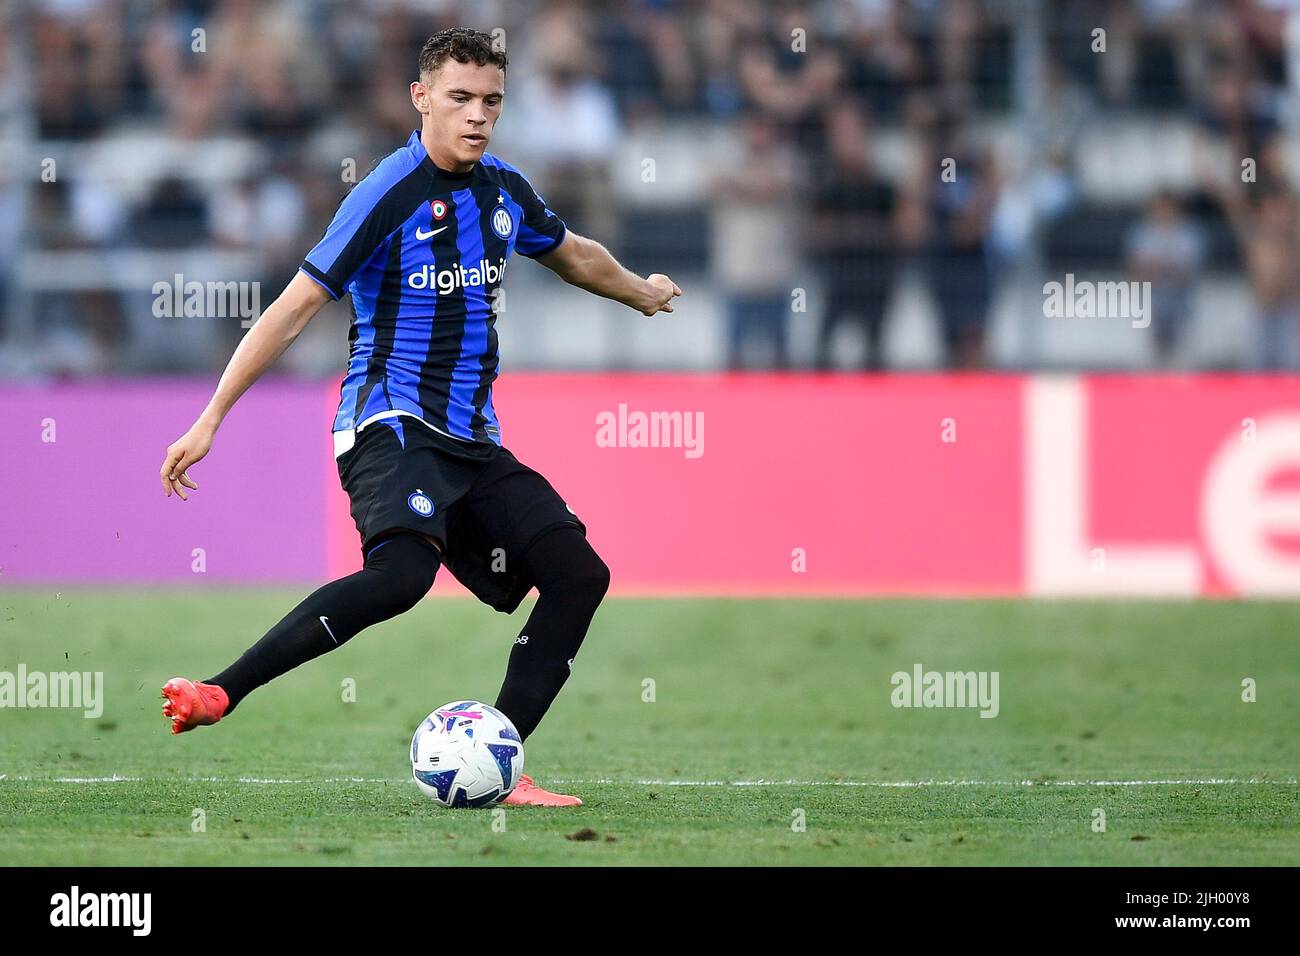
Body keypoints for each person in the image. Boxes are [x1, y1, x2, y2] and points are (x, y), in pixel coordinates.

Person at [157, 28, 681, 807]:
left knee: (579, 575)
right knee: (401, 576)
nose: (477, 116)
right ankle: (220, 691)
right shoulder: (384, 194)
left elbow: (571, 252)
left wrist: (639, 290)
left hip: (471, 439)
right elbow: (297, 305)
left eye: (491, 101)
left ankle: (497, 760)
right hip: (389, 424)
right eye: (461, 98)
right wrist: (211, 418)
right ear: (422, 98)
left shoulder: (503, 188)